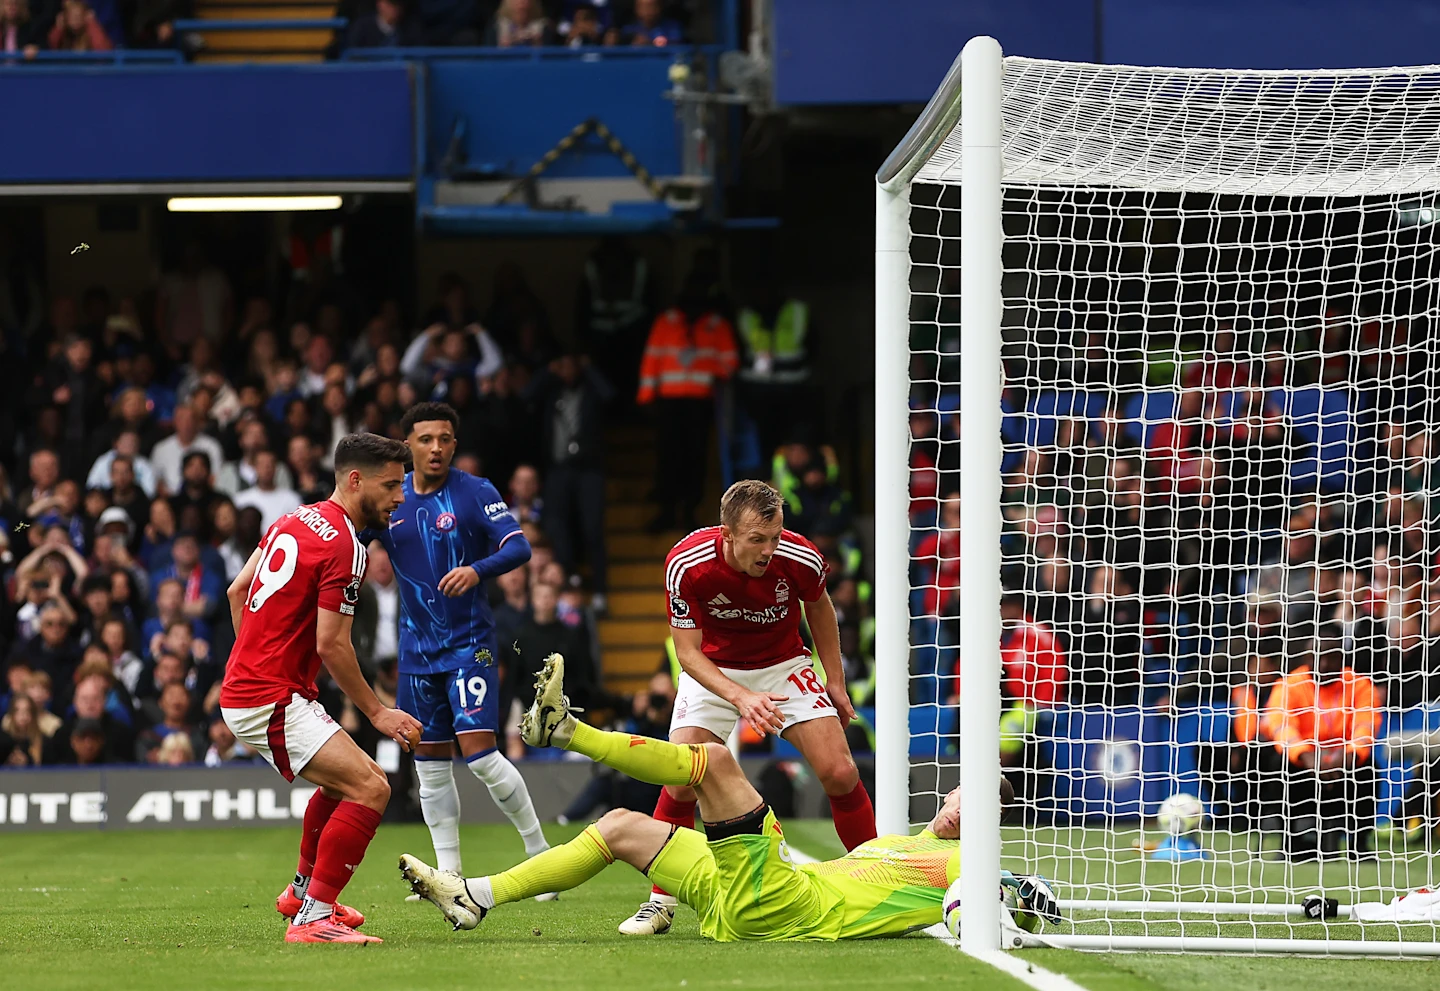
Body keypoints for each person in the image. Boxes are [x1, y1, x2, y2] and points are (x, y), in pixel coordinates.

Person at [402, 654, 1037, 941]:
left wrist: (1002, 908)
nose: (960, 800)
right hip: (760, 896)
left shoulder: (962, 863)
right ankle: (475, 897)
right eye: (962, 790)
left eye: (979, 802)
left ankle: (570, 731)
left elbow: (968, 902)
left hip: (786, 905)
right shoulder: (912, 843)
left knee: (714, 761)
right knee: (620, 825)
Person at [616, 479, 874, 937]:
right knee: (681, 781)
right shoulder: (686, 563)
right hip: (713, 669)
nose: (769, 549)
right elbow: (688, 653)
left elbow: (820, 609)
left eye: (775, 536)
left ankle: (877, 879)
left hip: (783, 664)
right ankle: (659, 903)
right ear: (727, 533)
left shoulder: (799, 557)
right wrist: (740, 696)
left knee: (840, 772)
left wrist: (834, 679)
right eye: (757, 539)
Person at [219, 432, 422, 944]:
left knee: (350, 782)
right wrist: (379, 712)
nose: (400, 496)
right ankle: (314, 917)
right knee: (372, 789)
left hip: (259, 688)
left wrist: (255, 657)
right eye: (392, 485)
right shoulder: (347, 546)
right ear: (355, 480)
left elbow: (237, 590)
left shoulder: (292, 519)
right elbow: (332, 645)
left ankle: (301, 893)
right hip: (269, 695)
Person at [369, 402, 553, 895]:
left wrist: (477, 569)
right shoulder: (392, 498)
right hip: (415, 654)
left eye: (445, 439)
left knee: (481, 757)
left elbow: (518, 547)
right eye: (425, 439)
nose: (436, 448)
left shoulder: (474, 492)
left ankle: (541, 858)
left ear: (454, 443)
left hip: (470, 646)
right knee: (429, 767)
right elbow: (351, 532)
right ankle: (448, 874)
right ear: (407, 444)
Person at [1260, 628, 1381, 860]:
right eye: (1318, 657)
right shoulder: (1289, 684)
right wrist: (1308, 758)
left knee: (1369, 767)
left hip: (1343, 765)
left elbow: (1366, 726)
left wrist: (1346, 758)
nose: (1324, 664)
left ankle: (1359, 846)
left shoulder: (1360, 685)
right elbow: (1281, 726)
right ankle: (1293, 842)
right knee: (1279, 763)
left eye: (1331, 657)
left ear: (1342, 658)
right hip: (1305, 765)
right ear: (1307, 659)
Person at [636, 273, 738, 532]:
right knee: (667, 458)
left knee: (695, 459)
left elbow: (730, 362)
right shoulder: (666, 322)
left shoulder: (717, 325)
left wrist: (710, 368)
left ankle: (690, 511)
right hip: (669, 402)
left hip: (699, 403)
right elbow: (651, 360)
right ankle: (666, 511)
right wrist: (647, 397)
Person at [525, 354, 612, 611]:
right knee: (556, 526)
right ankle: (568, 581)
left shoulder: (591, 390)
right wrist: (547, 370)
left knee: (593, 528)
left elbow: (610, 396)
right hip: (558, 469)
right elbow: (526, 397)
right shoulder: (552, 391)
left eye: (570, 364)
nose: (567, 370)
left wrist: (589, 369)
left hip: (589, 469)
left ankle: (599, 592)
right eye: (561, 365)